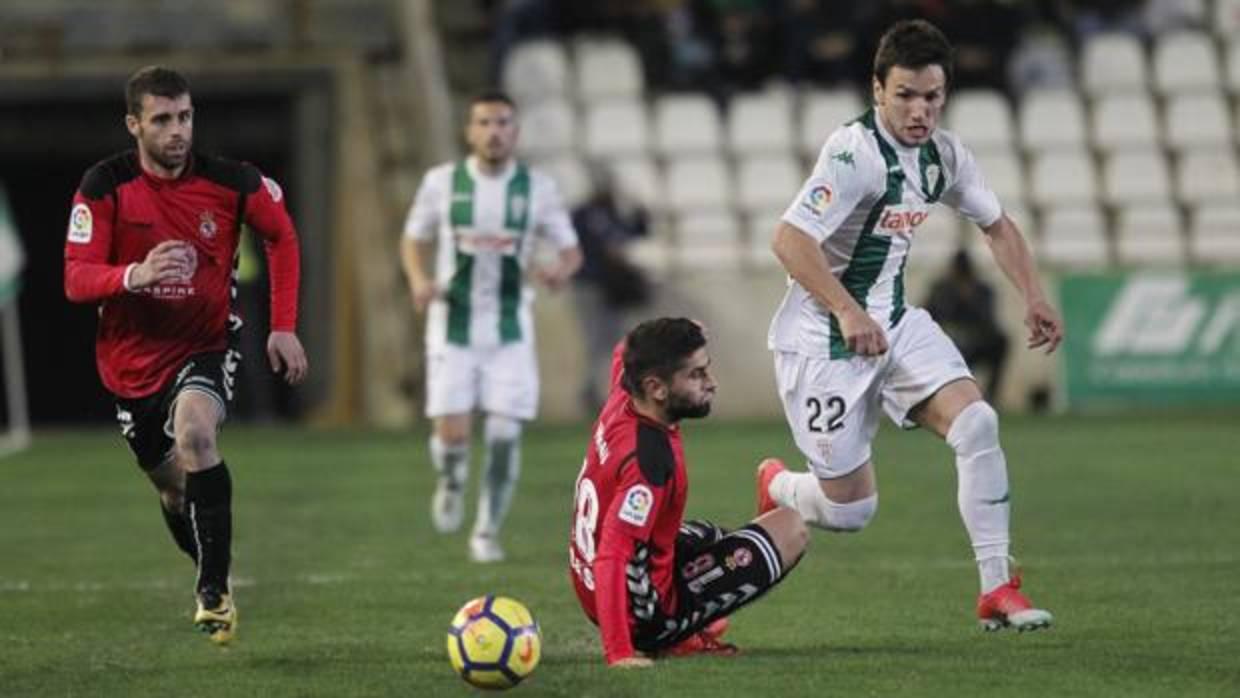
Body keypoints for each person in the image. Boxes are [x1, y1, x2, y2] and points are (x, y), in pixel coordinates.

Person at [759, 19, 1062, 633]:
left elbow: (997, 225)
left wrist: (1033, 294)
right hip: (822, 342)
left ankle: (996, 588)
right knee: (851, 512)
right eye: (905, 95)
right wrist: (846, 309)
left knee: (977, 423)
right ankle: (781, 485)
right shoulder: (853, 154)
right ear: (878, 90)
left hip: (895, 324)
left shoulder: (944, 155)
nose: (920, 111)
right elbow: (789, 240)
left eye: (932, 97)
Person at [63, 66, 308, 645]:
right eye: (162, 120)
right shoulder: (103, 186)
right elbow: (75, 278)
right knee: (174, 490)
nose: (177, 130)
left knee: (197, 434)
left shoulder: (232, 181)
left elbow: (281, 235)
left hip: (205, 342)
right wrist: (134, 274)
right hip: (130, 363)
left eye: (185, 117)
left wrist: (283, 327)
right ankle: (209, 563)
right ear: (134, 125)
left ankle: (213, 591)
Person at [401, 90, 582, 563]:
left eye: (503, 123)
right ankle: (451, 480)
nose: (494, 132)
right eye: (484, 123)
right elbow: (413, 237)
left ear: (515, 132)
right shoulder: (442, 183)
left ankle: (486, 531)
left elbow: (570, 250)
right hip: (452, 323)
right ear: (469, 131)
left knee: (504, 435)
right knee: (453, 437)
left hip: (509, 329)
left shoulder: (537, 188)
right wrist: (419, 279)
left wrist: (560, 271)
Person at [569, 318, 809, 667]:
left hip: (589, 582)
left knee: (708, 534)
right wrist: (619, 652)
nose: (711, 383)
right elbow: (612, 554)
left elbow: (626, 347)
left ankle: (747, 540)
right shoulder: (648, 463)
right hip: (641, 612)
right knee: (792, 528)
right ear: (657, 388)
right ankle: (677, 637)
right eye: (696, 375)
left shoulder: (626, 388)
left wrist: (677, 328)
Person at [571, 165, 650, 412]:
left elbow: (635, 231)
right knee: (598, 339)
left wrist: (639, 211)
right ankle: (593, 393)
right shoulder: (586, 214)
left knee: (613, 340)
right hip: (590, 285)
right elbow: (605, 244)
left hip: (607, 288)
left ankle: (605, 392)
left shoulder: (609, 213)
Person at [924, 249, 1010, 402]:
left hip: (977, 340)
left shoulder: (982, 290)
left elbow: (988, 320)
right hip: (948, 340)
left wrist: (970, 299)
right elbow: (928, 315)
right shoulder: (941, 289)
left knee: (1001, 341)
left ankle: (990, 395)